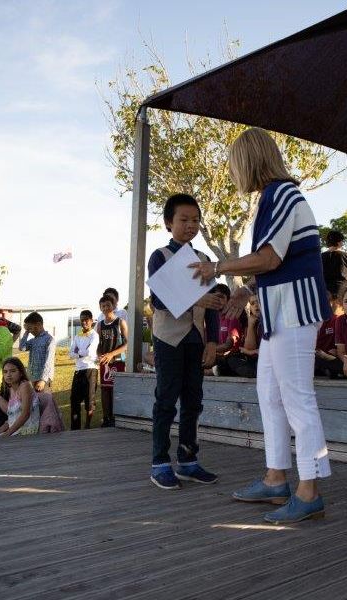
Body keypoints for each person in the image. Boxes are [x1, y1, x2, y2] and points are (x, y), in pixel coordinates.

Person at [190, 128, 331, 523]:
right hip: (279, 311)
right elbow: (280, 260)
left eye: (235, 164)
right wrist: (245, 290)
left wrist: (217, 267)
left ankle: (310, 489)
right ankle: (275, 478)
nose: (234, 172)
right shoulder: (275, 196)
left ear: (249, 161)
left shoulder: (282, 193)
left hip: (294, 310)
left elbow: (269, 257)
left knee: (296, 397)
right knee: (270, 393)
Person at [148, 193, 221, 490]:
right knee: (166, 400)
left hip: (195, 339)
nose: (190, 225)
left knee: (193, 401)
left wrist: (213, 341)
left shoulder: (204, 261)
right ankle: (160, 463)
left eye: (195, 220)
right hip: (168, 339)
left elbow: (215, 303)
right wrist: (197, 299)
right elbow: (158, 300)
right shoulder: (160, 256)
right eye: (183, 219)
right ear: (169, 223)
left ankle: (189, 461)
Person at [0, 357, 40, 437]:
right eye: (5, 372)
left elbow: (25, 414)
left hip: (27, 432)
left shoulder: (25, 386)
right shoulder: (12, 388)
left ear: (21, 373)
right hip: (16, 430)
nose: (8, 375)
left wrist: (6, 434)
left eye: (13, 371)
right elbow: (11, 413)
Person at [96, 295, 128, 427]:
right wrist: (99, 355)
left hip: (118, 360)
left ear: (113, 306)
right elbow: (98, 344)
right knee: (105, 390)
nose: (105, 308)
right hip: (105, 361)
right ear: (100, 308)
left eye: (108, 305)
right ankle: (106, 418)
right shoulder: (99, 325)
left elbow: (127, 344)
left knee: (117, 390)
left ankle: (116, 418)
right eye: (103, 306)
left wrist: (112, 354)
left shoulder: (120, 322)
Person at [69, 310, 99, 430]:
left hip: (90, 369)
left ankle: (87, 426)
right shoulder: (77, 336)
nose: (84, 322)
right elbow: (71, 354)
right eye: (82, 319)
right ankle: (75, 428)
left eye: (86, 319)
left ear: (92, 320)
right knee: (74, 400)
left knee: (89, 400)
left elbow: (90, 352)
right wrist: (80, 353)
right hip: (78, 369)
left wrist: (78, 352)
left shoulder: (94, 335)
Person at [19, 312, 56, 392]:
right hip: (32, 378)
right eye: (28, 329)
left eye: (31, 328)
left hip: (43, 380)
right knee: (34, 403)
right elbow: (22, 347)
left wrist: (43, 380)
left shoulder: (49, 340)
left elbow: (48, 361)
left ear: (39, 324)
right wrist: (26, 332)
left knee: (44, 402)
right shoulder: (33, 340)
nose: (30, 331)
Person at [213, 283, 245, 376]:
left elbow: (228, 345)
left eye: (221, 297)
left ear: (228, 300)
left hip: (232, 359)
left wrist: (208, 350)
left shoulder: (232, 317)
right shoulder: (211, 320)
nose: (217, 300)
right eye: (214, 297)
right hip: (215, 358)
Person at [314, 293, 343, 375]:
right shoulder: (307, 324)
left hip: (331, 359)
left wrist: (334, 351)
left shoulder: (337, 321)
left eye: (324, 303)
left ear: (330, 303)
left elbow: (340, 349)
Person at [321, 230, 347, 295]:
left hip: (325, 291)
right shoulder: (346, 256)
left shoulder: (320, 257)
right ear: (339, 242)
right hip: (341, 290)